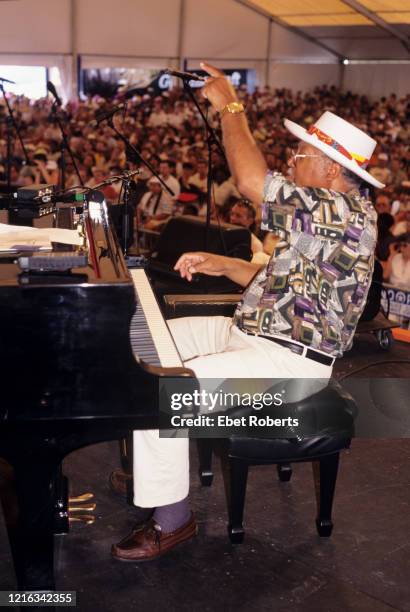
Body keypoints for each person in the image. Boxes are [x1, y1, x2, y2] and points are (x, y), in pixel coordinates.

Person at [112, 64, 384, 563]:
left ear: (330, 170)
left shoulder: (343, 212)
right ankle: (153, 460)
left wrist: (230, 106)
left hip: (289, 366)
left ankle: (173, 518)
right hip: (253, 335)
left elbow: (250, 181)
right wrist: (224, 263)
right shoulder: (324, 215)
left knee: (166, 389)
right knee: (149, 339)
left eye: (300, 155)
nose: (291, 160)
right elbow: (283, 282)